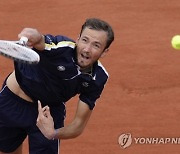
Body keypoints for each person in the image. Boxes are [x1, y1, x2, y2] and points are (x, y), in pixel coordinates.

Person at [0, 18, 114, 154]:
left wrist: (52, 133)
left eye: (96, 45)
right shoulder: (62, 48)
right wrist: (34, 35)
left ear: (105, 51)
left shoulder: (97, 78)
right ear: (77, 39)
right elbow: (40, 41)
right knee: (7, 150)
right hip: (12, 102)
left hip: (48, 112)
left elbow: (78, 124)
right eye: (85, 40)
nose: (87, 49)